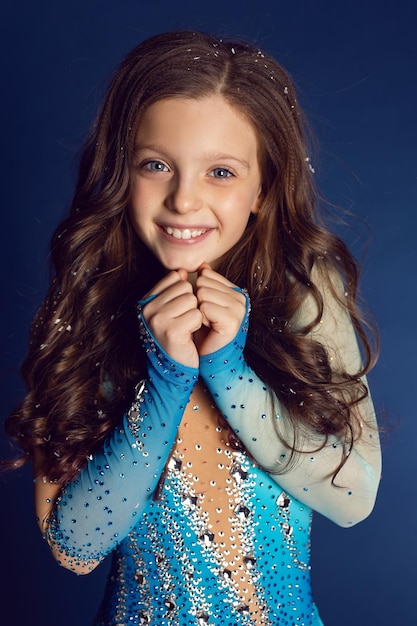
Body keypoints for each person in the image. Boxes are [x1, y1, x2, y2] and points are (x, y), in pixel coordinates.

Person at [3, 30, 381, 626]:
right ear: (122, 171)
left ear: (263, 187)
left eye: (221, 172)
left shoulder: (307, 292)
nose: (184, 199)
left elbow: (354, 499)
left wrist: (228, 372)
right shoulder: (85, 304)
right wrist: (165, 383)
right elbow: (73, 548)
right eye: (156, 165)